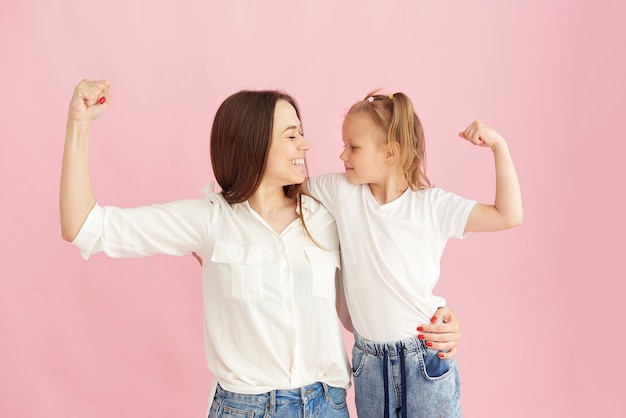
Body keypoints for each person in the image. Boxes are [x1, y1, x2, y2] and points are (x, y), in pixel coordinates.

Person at [59, 80, 462, 417]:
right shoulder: (211, 219)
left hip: (327, 405)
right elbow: (86, 228)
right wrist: (79, 125)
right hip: (245, 407)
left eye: (301, 133)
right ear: (252, 144)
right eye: (291, 135)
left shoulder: (328, 214)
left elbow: (376, 292)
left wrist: (433, 318)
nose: (305, 145)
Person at [303, 92, 523, 418]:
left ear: (391, 151)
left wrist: (498, 146)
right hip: (369, 363)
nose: (342, 154)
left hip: (424, 358)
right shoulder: (341, 191)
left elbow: (509, 215)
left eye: (353, 146)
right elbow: (283, 191)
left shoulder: (433, 206)